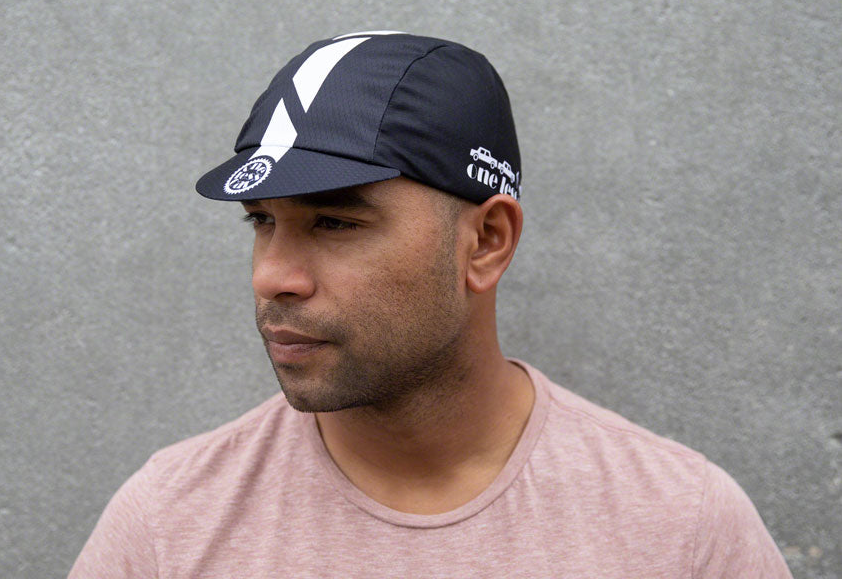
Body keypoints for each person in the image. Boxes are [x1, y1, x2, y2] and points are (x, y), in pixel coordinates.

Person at [69, 31, 792, 578]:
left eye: (336, 223)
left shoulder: (680, 528)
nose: (273, 277)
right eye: (261, 221)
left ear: (486, 242)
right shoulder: (170, 525)